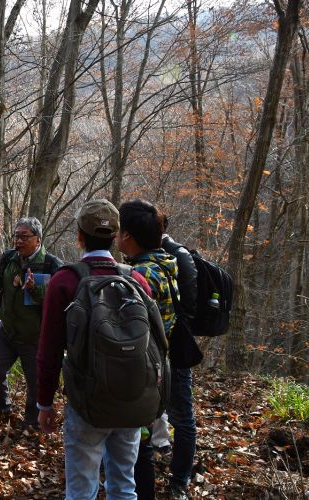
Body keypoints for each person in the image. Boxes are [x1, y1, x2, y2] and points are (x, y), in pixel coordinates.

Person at [37, 199, 152, 500]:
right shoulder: (137, 280)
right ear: (116, 237)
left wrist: (44, 403)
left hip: (87, 401)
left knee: (80, 490)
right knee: (125, 486)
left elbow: (49, 349)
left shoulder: (65, 280)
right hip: (131, 400)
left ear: (79, 236)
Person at [116, 199, 179, 500]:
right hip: (159, 365)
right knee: (140, 441)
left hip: (144, 369)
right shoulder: (165, 264)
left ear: (127, 235)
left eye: (118, 229)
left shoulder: (142, 275)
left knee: (139, 445)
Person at [0, 217, 63, 429]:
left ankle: (32, 423)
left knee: (36, 384)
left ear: (38, 239)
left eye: (24, 237)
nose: (18, 241)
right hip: (7, 330)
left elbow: (60, 300)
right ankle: (3, 411)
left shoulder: (52, 265)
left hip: (35, 336)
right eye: (16, 236)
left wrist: (35, 289)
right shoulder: (9, 258)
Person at [159, 218, 200, 500]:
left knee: (182, 418)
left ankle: (180, 481)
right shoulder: (174, 255)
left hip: (175, 351)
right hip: (162, 350)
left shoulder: (178, 256)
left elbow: (185, 309)